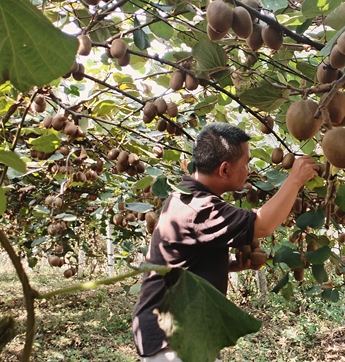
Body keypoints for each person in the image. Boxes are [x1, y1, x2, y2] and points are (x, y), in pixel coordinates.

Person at [132, 122, 318, 362]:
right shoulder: (198, 207)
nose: (250, 170)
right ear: (224, 170)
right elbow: (262, 225)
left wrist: (229, 265)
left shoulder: (185, 195)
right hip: (172, 337)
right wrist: (295, 180)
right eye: (246, 163)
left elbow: (182, 261)